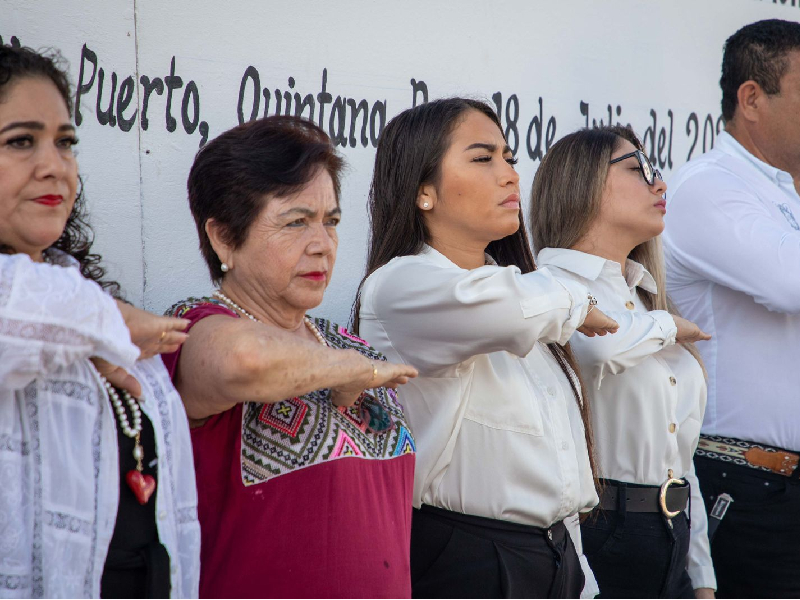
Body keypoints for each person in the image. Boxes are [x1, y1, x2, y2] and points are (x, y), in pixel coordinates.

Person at [354, 98, 619, 599]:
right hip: (469, 558)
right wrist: (580, 300)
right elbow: (503, 310)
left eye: (509, 157)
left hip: (556, 554)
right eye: (483, 158)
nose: (510, 175)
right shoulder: (400, 284)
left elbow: (561, 479)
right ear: (423, 191)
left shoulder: (522, 292)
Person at [161, 115, 419, 599]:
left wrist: (352, 361)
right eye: (296, 222)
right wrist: (352, 370)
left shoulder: (348, 342)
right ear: (223, 238)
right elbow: (247, 360)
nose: (322, 245)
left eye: (331, 222)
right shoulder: (190, 328)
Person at [0, 45, 199, 598]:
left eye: (65, 142)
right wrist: (114, 324)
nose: (53, 164)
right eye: (20, 141)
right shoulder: (96, 316)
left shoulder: (91, 306)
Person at [530, 126, 715, 599]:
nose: (660, 184)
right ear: (581, 182)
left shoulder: (641, 291)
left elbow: (682, 459)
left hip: (669, 531)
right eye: (638, 169)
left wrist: (703, 577)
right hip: (600, 528)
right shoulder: (549, 285)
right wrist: (668, 326)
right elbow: (598, 349)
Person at [662, 19, 800, 598]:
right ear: (751, 98)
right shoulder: (707, 186)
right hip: (742, 484)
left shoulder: (782, 191)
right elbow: (791, 284)